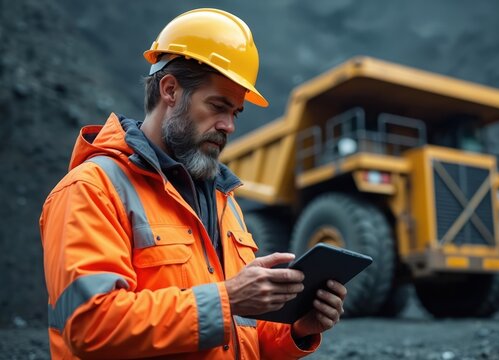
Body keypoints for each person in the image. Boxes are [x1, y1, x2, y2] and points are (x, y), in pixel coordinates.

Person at [40, 8, 346, 359]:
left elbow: (241, 335)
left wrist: (296, 328)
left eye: (235, 113)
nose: (229, 126)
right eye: (218, 106)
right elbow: (88, 327)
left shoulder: (223, 200)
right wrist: (227, 299)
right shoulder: (92, 189)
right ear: (170, 90)